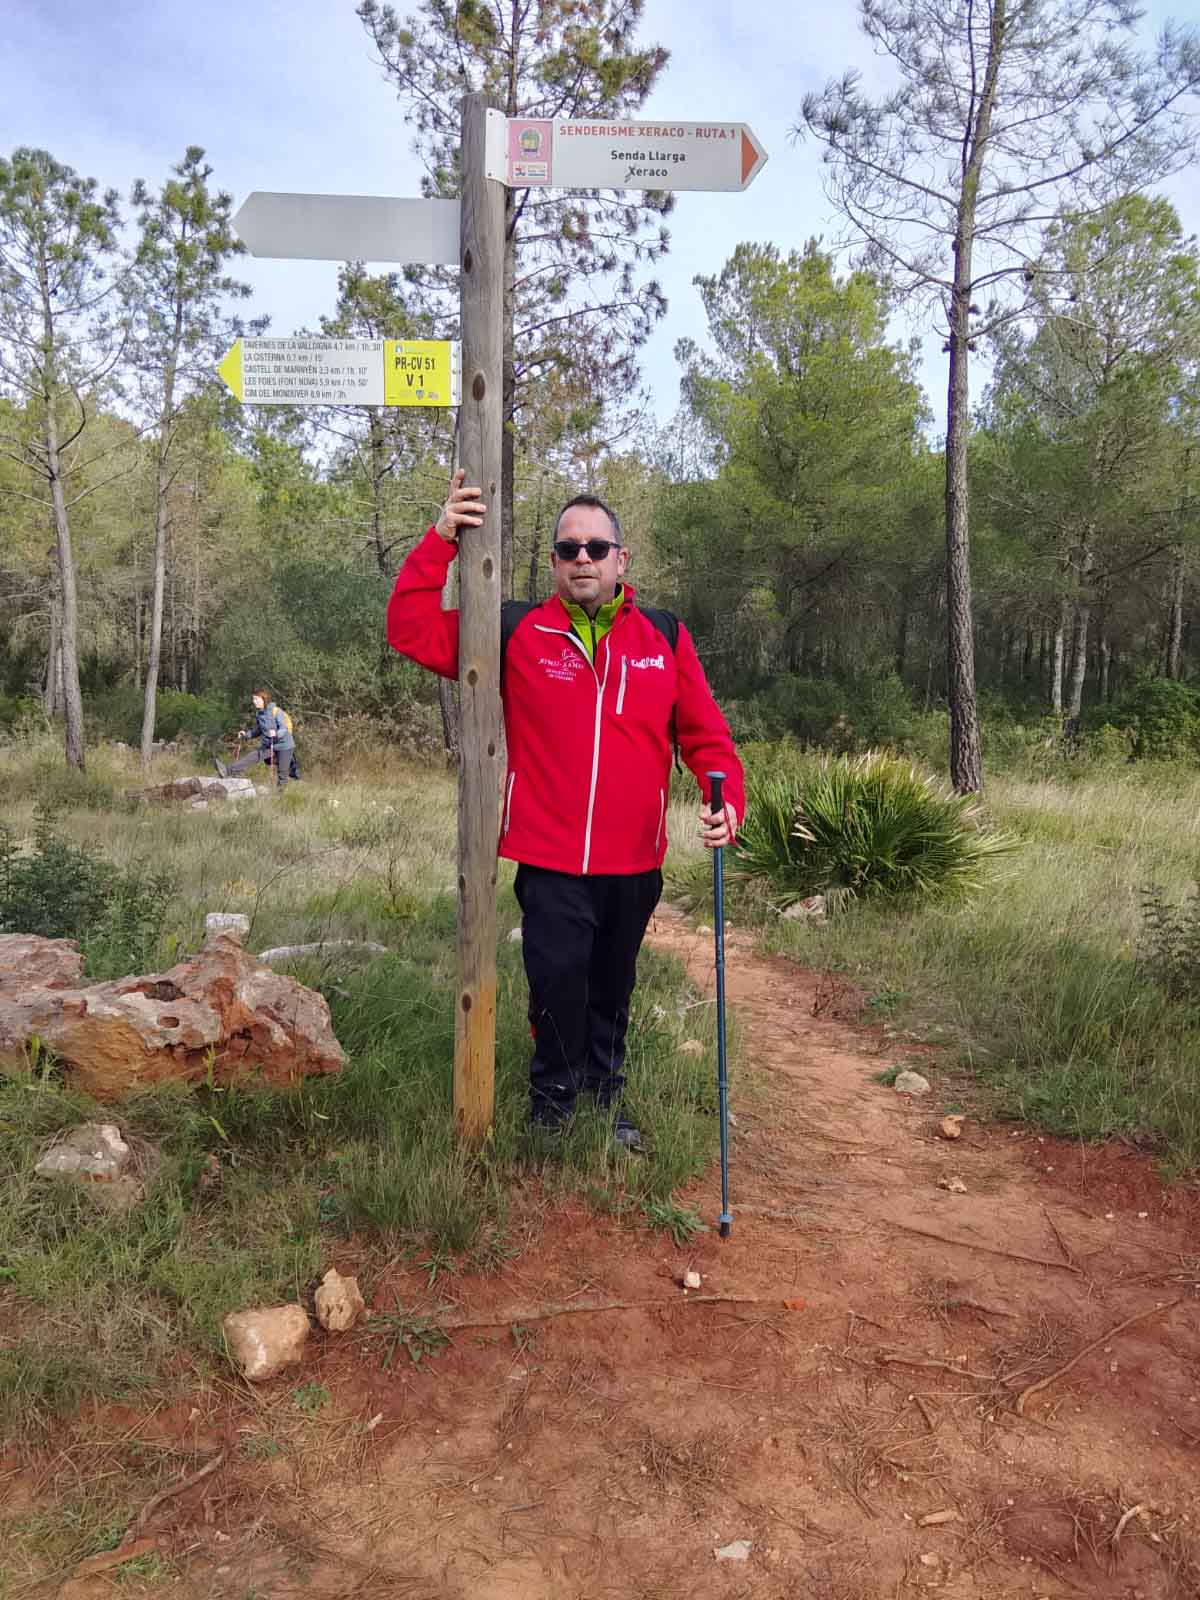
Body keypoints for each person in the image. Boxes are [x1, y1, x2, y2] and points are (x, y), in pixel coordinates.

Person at [386, 471, 745, 1150]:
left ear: (620, 560)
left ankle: (606, 1101)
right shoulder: (515, 629)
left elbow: (705, 735)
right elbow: (409, 630)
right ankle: (551, 1103)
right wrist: (440, 540)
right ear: (553, 561)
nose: (583, 559)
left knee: (612, 986)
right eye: (569, 548)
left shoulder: (663, 637)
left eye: (596, 548)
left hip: (634, 859)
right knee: (556, 983)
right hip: (549, 856)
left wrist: (726, 801)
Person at [214, 691, 295, 791]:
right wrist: (246, 734)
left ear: (263, 699)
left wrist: (276, 733)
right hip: (269, 744)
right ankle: (228, 770)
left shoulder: (276, 711)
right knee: (253, 756)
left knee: (282, 772)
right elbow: (258, 730)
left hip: (285, 745)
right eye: (253, 699)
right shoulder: (259, 714)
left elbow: (284, 728)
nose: (254, 701)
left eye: (256, 699)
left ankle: (279, 795)